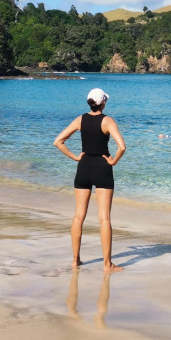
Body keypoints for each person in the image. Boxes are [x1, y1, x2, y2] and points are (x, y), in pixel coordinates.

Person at [54, 87, 126, 272]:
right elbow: (122, 147)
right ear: (103, 102)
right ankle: (107, 264)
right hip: (102, 168)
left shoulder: (80, 119)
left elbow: (58, 141)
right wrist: (113, 161)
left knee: (78, 216)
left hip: (84, 168)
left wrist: (76, 157)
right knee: (104, 219)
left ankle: (75, 260)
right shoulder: (108, 121)